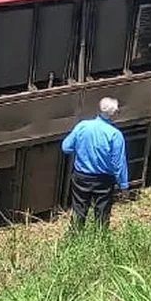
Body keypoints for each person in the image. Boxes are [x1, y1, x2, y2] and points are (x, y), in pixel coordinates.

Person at [61, 97, 129, 228]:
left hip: (81, 177)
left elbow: (66, 147)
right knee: (102, 214)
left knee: (79, 210)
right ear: (114, 114)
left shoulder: (82, 126)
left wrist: (81, 149)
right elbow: (119, 164)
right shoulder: (115, 135)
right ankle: (100, 239)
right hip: (103, 180)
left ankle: (75, 237)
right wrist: (124, 186)